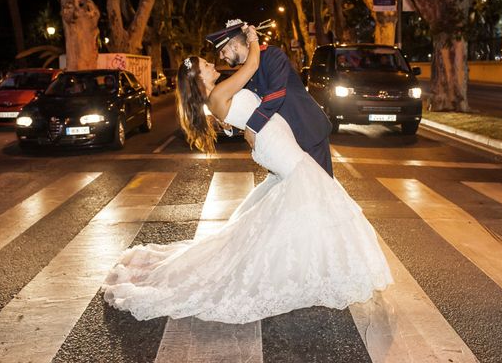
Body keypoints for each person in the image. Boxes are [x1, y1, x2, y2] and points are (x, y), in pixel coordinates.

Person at [102, 24, 393, 324]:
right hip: (277, 146)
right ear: (199, 78)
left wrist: (245, 124)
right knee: (313, 195)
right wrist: (253, 40)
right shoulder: (220, 91)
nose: (215, 61)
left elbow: (265, 93)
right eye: (206, 64)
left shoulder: (227, 86)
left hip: (278, 141)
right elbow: (252, 68)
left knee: (304, 199)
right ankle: (315, 267)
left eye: (220, 52)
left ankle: (311, 263)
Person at [213, 19, 334, 177]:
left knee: (320, 190)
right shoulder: (245, 72)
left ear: (235, 45)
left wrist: (252, 127)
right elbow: (251, 107)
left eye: (223, 51)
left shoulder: (272, 55)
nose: (222, 57)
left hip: (308, 132)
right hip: (284, 143)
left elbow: (276, 94)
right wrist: (232, 128)